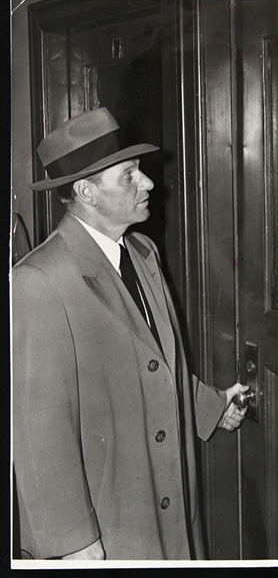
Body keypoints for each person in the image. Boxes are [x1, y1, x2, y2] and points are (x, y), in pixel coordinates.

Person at [12, 107, 248, 561]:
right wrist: (73, 543)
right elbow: (38, 427)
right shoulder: (39, 280)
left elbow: (156, 358)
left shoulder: (142, 252)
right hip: (110, 513)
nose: (148, 184)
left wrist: (212, 407)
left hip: (168, 494)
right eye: (129, 175)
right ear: (86, 192)